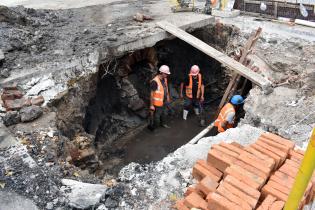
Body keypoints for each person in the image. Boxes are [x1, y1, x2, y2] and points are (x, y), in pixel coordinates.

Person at [149, 65, 171, 130]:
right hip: (157, 103)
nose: (167, 75)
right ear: (161, 72)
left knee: (164, 113)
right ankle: (156, 126)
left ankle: (163, 124)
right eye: (166, 73)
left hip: (164, 101)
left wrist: (167, 97)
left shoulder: (165, 79)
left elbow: (165, 89)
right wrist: (151, 105)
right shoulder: (154, 81)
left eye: (167, 73)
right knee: (157, 115)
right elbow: (151, 94)